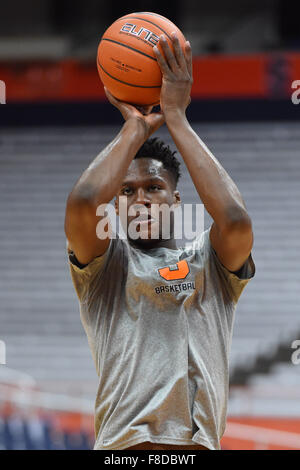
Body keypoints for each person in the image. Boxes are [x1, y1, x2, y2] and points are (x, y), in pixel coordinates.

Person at [65, 33, 255, 450]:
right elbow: (82, 203)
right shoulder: (105, 266)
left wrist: (177, 118)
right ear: (114, 206)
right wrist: (134, 127)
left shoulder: (209, 262)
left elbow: (237, 222)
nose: (140, 200)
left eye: (153, 187)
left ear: (175, 199)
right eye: (127, 192)